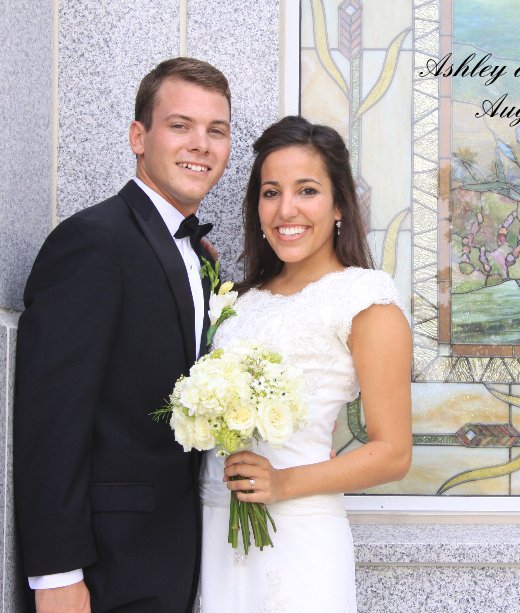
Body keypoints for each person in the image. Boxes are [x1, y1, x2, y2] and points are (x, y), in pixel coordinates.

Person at [14, 57, 231, 612]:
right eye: (180, 126)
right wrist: (55, 573)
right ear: (139, 136)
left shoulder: (202, 257)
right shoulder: (92, 241)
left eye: (216, 131)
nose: (200, 145)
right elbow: (51, 418)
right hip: (107, 568)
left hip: (183, 559)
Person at [198, 116, 413, 612]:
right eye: (270, 192)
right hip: (215, 533)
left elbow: (393, 452)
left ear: (339, 204)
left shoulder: (366, 301)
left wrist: (282, 483)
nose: (285, 209)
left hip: (298, 537)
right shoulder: (239, 302)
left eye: (307, 190)